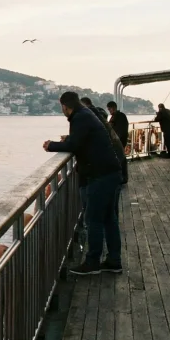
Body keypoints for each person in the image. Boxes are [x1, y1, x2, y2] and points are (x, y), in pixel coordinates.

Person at [44, 91, 123, 275]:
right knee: (109, 219)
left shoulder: (79, 117)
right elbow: (80, 140)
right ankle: (114, 260)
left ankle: (92, 262)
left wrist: (51, 145)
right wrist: (68, 139)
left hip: (100, 175)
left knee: (93, 219)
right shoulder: (85, 114)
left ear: (64, 106)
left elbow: (74, 145)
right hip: (110, 172)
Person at [107, 101, 130, 184]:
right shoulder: (121, 116)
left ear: (113, 108)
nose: (109, 111)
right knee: (121, 159)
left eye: (109, 109)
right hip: (121, 140)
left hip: (118, 141)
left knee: (120, 159)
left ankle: (122, 177)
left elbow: (115, 129)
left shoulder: (116, 117)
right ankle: (123, 177)